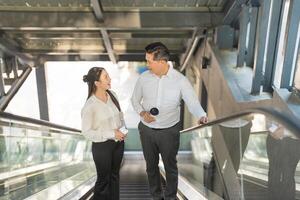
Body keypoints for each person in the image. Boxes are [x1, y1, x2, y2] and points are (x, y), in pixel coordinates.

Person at [131, 42, 208, 200]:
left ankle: (171, 197)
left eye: (150, 61)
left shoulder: (180, 80)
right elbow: (134, 100)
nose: (147, 64)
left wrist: (201, 115)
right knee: (151, 167)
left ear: (162, 62)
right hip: (147, 130)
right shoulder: (144, 78)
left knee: (170, 167)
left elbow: (192, 102)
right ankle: (156, 196)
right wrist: (142, 113)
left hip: (169, 131)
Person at [81, 67, 127, 200]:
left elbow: (120, 116)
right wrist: (112, 133)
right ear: (97, 83)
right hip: (102, 147)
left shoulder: (112, 95)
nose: (110, 79)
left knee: (115, 177)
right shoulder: (90, 106)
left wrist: (123, 129)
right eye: (106, 77)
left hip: (118, 144)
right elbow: (87, 132)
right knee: (103, 181)